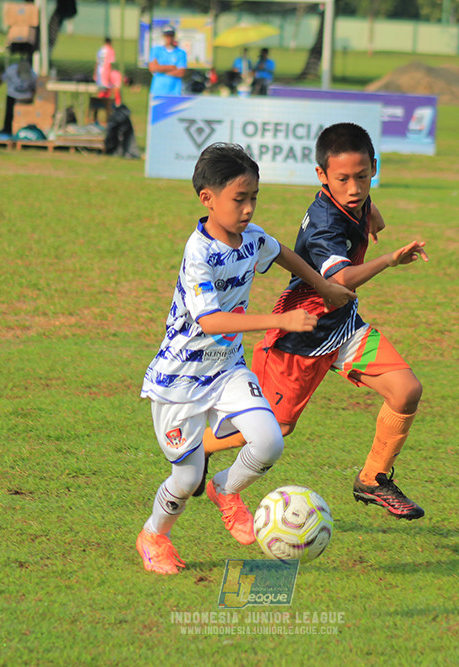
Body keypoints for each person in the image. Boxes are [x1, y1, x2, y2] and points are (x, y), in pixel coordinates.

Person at [136, 143, 356, 574]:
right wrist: (284, 319)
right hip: (181, 379)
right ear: (207, 198)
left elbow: (282, 253)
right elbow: (212, 320)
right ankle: (154, 535)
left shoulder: (252, 239)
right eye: (240, 199)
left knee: (270, 439)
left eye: (254, 197)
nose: (249, 208)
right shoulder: (198, 253)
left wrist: (324, 287)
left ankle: (226, 489)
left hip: (227, 369)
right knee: (184, 479)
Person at [201, 123, 430, 521]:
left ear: (374, 167)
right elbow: (338, 280)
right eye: (343, 179)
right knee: (278, 429)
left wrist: (372, 218)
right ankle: (198, 447)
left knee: (406, 390)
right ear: (322, 176)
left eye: (362, 176)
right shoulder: (325, 223)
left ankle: (373, 479)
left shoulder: (354, 198)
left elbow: (367, 210)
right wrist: (389, 259)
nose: (354, 187)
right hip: (300, 335)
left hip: (343, 328)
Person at [0, 59, 36, 136]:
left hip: (25, 97)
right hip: (12, 94)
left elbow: (34, 89)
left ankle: (22, 131)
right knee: (9, 114)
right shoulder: (11, 70)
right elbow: (2, 78)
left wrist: (32, 98)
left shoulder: (33, 76)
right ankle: (7, 130)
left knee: (24, 114)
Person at [148, 24, 187, 97]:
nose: (169, 38)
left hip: (174, 91)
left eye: (171, 35)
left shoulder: (181, 53)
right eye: (167, 35)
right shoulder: (156, 50)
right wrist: (172, 67)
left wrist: (161, 71)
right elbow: (153, 68)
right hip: (157, 90)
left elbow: (181, 72)